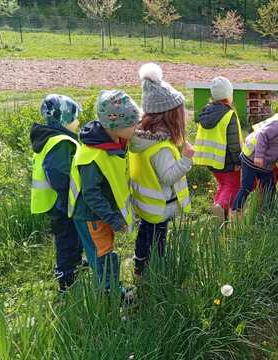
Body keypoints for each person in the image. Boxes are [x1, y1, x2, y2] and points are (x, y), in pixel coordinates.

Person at [69, 90, 139, 294]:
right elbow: (91, 195)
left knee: (105, 253)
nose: (137, 128)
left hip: (101, 214)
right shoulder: (92, 157)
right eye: (133, 124)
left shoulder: (113, 141)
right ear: (115, 126)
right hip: (91, 216)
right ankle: (109, 297)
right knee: (103, 257)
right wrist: (113, 219)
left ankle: (112, 289)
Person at [129, 63, 193, 277]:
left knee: (144, 234)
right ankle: (156, 271)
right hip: (159, 205)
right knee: (158, 241)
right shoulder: (161, 148)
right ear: (171, 117)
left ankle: (139, 266)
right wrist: (186, 159)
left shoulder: (139, 138)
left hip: (144, 203)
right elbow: (167, 177)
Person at [30, 94, 83, 293]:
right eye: (75, 117)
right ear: (64, 118)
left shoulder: (49, 137)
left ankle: (74, 262)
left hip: (54, 200)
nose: (78, 122)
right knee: (67, 238)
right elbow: (58, 174)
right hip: (60, 202)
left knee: (71, 235)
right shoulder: (60, 142)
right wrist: (70, 193)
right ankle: (66, 279)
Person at [194, 76, 242, 221]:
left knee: (223, 184)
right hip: (227, 160)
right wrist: (238, 161)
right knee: (233, 185)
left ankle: (218, 208)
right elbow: (233, 143)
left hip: (211, 159)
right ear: (228, 95)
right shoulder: (229, 114)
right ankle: (222, 207)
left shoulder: (206, 112)